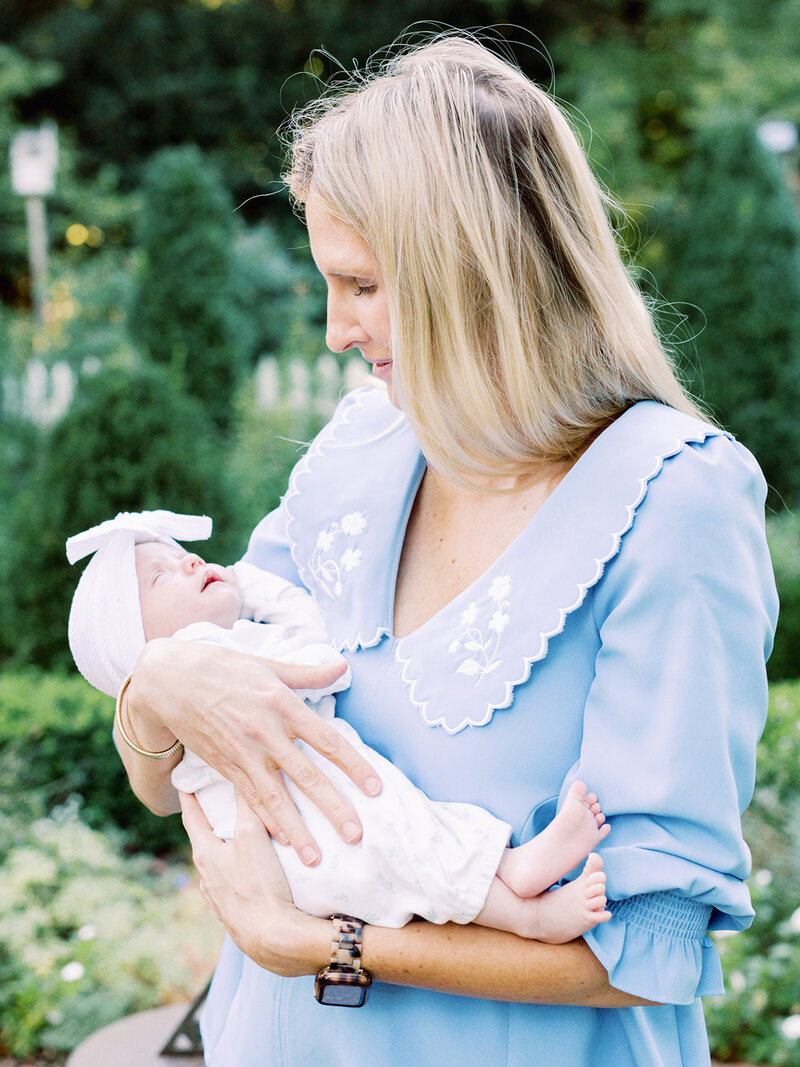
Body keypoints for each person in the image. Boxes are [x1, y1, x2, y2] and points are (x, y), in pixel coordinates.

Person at [112, 32, 777, 1067]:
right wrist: (155, 687)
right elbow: (179, 774)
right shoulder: (357, 448)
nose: (335, 327)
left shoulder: (674, 496)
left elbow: (648, 945)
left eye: (363, 285)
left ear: (475, 271)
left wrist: (323, 943)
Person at [66, 509, 610, 942]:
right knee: (398, 847)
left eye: (187, 556)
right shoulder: (212, 653)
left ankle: (512, 882)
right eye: (161, 577)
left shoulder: (208, 656)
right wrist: (255, 588)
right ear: (135, 645)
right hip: (301, 829)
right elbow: (319, 664)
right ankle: (523, 910)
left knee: (404, 850)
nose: (191, 565)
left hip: (289, 839)